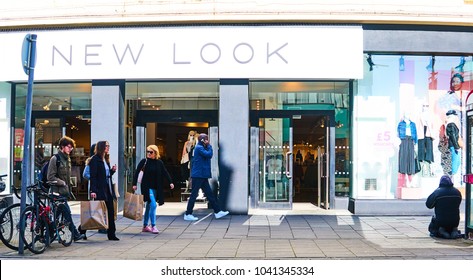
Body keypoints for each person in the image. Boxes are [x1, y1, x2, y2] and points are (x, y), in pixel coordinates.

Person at [46, 136, 85, 242]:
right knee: (67, 213)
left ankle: (48, 235)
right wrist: (62, 183)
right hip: (57, 193)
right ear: (62, 147)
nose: (70, 149)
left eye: (71, 148)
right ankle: (75, 235)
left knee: (58, 216)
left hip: (64, 192)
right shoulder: (55, 159)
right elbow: (50, 177)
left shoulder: (67, 159)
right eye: (69, 147)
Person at [183, 133, 229, 221]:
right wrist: (209, 146)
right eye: (206, 139)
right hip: (198, 175)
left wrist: (207, 146)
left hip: (202, 175)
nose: (208, 141)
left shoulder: (201, 147)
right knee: (194, 195)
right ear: (203, 140)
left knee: (210, 194)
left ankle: (217, 212)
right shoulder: (199, 148)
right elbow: (209, 155)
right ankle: (188, 213)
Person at [132, 144, 174, 234]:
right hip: (147, 187)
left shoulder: (159, 163)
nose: (148, 154)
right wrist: (134, 184)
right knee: (153, 205)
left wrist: (170, 182)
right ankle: (153, 225)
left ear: (155, 153)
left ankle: (145, 225)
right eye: (147, 152)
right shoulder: (144, 161)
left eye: (151, 152)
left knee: (149, 206)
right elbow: (137, 172)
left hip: (156, 187)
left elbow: (165, 172)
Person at [89, 141, 119, 241]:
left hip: (108, 189)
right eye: (106, 146)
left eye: (108, 146)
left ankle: (112, 234)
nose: (108, 147)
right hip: (99, 189)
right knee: (96, 212)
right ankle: (82, 229)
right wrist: (93, 190)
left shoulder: (106, 159)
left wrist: (112, 171)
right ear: (101, 147)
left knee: (110, 211)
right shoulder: (95, 159)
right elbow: (93, 176)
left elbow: (106, 175)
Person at [445, 110, 462, 175]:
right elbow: (453, 136)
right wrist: (456, 147)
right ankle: (453, 175)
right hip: (454, 145)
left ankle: (453, 174)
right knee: (455, 160)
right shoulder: (451, 124)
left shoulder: (450, 124)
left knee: (457, 161)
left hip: (454, 145)